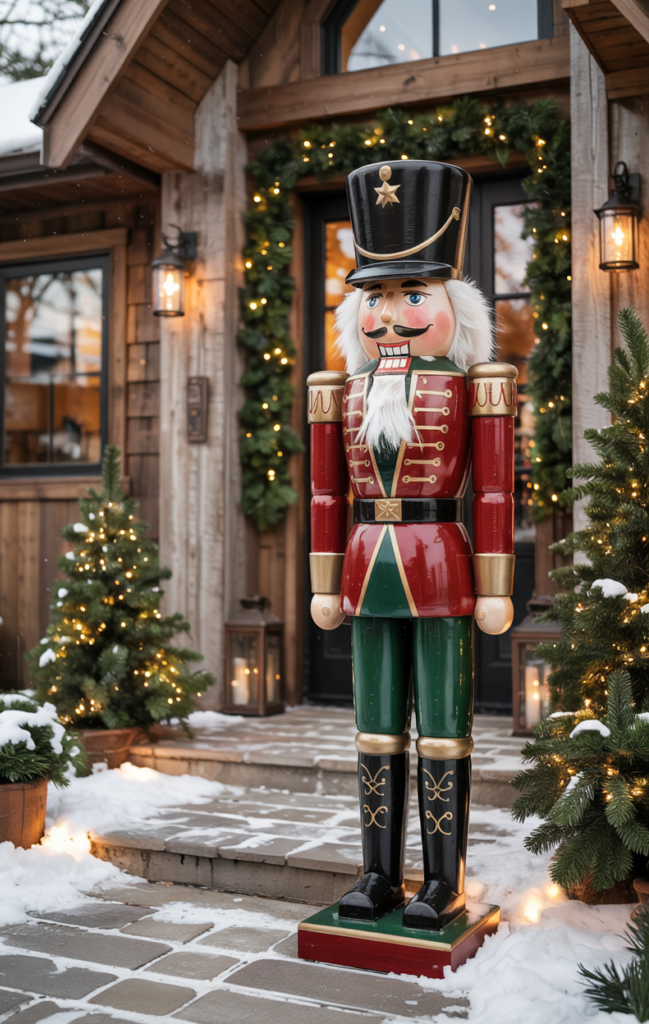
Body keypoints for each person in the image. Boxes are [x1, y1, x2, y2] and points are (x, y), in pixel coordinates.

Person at [307, 160, 516, 931]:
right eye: (375, 297)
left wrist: (495, 582)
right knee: (372, 725)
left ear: (452, 308)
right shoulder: (339, 391)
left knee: (442, 724)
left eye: (411, 295)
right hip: (366, 563)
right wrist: (324, 579)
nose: (389, 316)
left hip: (439, 560)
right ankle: (375, 875)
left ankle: (441, 883)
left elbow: (494, 490)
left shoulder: (477, 383)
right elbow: (327, 493)